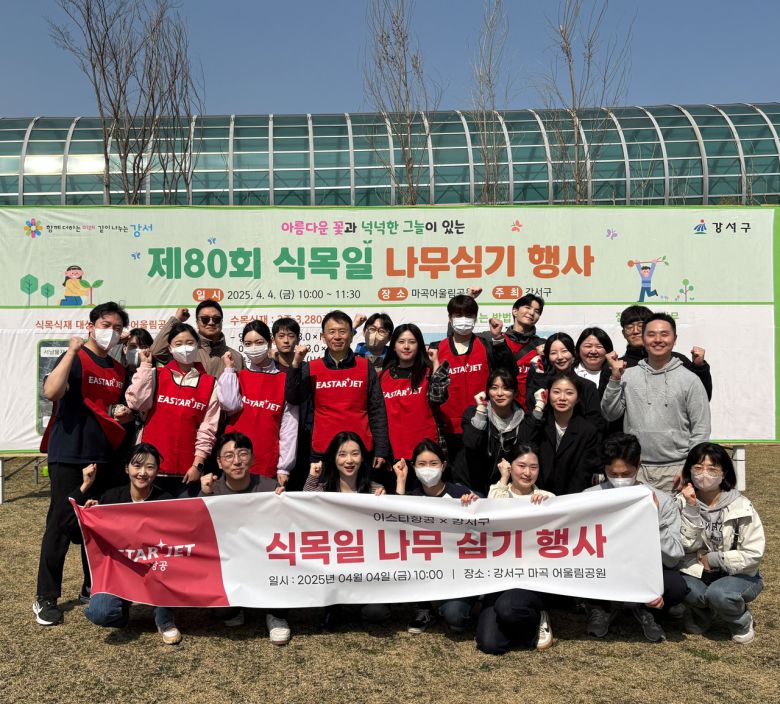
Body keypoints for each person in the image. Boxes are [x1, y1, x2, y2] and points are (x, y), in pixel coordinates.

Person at [34, 301, 132, 627]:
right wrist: (72, 352)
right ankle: (46, 598)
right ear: (91, 326)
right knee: (60, 526)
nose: (111, 332)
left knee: (96, 526)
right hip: (68, 455)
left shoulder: (118, 370)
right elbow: (50, 391)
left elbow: (110, 408)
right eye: (106, 325)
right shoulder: (76, 358)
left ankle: (93, 587)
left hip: (102, 457)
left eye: (117, 328)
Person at [72, 443, 182, 645]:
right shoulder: (110, 498)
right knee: (99, 613)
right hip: (119, 572)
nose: (142, 472)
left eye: (149, 467)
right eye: (137, 466)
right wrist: (89, 514)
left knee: (167, 565)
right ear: (126, 469)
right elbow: (71, 532)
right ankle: (122, 613)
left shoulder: (166, 501)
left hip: (154, 569)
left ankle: (164, 620)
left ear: (157, 471)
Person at [583, 433, 686, 642]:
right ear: (604, 468)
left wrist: (653, 518)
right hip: (607, 568)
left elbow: (674, 557)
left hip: (644, 570)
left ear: (638, 466)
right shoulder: (589, 497)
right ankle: (601, 607)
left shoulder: (662, 501)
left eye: (626, 473)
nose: (620, 480)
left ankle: (646, 609)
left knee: (676, 585)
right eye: (613, 473)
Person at [199, 432, 292, 644]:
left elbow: (290, 529)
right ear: (219, 463)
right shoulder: (213, 489)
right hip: (229, 562)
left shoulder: (270, 488)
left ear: (251, 457)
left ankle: (276, 614)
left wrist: (284, 504)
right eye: (229, 456)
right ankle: (236, 608)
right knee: (223, 613)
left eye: (243, 454)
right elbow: (197, 530)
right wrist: (204, 495)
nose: (237, 461)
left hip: (265, 557)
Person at [602, 313, 711, 492]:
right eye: (651, 334)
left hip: (677, 470)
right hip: (636, 469)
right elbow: (609, 413)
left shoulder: (690, 380)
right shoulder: (627, 375)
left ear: (674, 339)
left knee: (673, 519)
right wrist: (614, 378)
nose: (658, 340)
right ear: (643, 339)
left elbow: (701, 429)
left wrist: (689, 467)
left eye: (664, 334)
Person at [678, 443, 764, 644]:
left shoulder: (741, 505)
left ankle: (741, 620)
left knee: (720, 593)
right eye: (698, 468)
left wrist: (715, 558)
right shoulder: (681, 502)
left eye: (712, 469)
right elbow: (684, 545)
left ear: (724, 473)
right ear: (689, 470)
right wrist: (691, 509)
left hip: (738, 574)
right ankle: (702, 614)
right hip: (697, 571)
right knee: (676, 585)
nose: (704, 474)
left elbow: (753, 553)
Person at [284, 310, 389, 476]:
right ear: (323, 337)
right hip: (322, 451)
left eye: (342, 331)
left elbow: (377, 409)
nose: (337, 337)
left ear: (351, 335)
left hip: (360, 452)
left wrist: (381, 448)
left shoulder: (365, 366)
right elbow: (293, 397)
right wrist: (296, 363)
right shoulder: (311, 367)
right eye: (331, 332)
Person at [303, 432, 390, 629]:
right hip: (334, 564)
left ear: (362, 457)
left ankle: (357, 603)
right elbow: (303, 509)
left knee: (375, 613)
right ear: (333, 459)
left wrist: (387, 500)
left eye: (355, 454)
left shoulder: (376, 490)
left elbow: (392, 527)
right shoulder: (324, 490)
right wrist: (312, 477)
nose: (349, 460)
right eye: (342, 455)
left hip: (368, 566)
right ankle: (334, 607)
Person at [394, 439, 480, 635]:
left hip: (457, 571)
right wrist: (400, 480)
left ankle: (456, 603)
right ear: (413, 467)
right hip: (425, 565)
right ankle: (423, 608)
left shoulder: (459, 493)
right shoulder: (411, 497)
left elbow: (480, 529)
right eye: (421, 464)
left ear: (443, 465)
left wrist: (473, 505)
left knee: (456, 619)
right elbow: (395, 527)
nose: (428, 469)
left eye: (433, 464)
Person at [475, 443, 554, 654]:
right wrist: (503, 479)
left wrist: (546, 508)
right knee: (490, 644)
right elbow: (492, 509)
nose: (527, 473)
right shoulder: (497, 492)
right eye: (521, 466)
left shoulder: (548, 497)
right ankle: (521, 628)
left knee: (508, 608)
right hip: (499, 577)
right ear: (510, 467)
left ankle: (538, 616)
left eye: (534, 467)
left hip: (532, 578)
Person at [125, 323, 219, 497]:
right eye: (179, 343)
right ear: (170, 348)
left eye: (190, 343)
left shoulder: (210, 383)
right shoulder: (156, 375)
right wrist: (145, 366)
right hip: (149, 472)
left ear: (198, 345)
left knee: (183, 523)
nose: (185, 348)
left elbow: (208, 429)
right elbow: (136, 403)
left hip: (186, 474)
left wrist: (198, 465)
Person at [428, 294, 513, 467]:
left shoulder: (487, 344)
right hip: (447, 430)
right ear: (450, 318)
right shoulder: (436, 349)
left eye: (468, 315)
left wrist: (497, 338)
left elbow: (509, 372)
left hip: (484, 425)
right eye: (458, 316)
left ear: (475, 318)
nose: (463, 320)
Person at [217, 320, 298, 487]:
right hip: (234, 460)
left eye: (259, 342)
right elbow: (229, 405)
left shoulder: (285, 380)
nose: (253, 347)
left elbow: (289, 428)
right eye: (248, 343)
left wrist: (284, 467)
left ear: (270, 342)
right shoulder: (236, 376)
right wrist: (229, 370)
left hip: (267, 459)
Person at [455, 369, 544, 495]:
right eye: (494, 388)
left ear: (514, 393)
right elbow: (471, 443)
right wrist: (481, 412)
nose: (499, 393)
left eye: (506, 388)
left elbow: (528, 443)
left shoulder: (524, 420)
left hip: (501, 487)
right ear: (488, 392)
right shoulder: (473, 413)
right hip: (470, 485)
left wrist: (539, 405)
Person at [380, 323, 449, 466]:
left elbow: (438, 397)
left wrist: (435, 363)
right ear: (393, 346)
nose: (406, 346)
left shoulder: (429, 373)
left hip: (427, 453)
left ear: (419, 346)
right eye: (401, 342)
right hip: (394, 454)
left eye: (412, 342)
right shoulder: (382, 377)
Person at [619, 305, 712, 399]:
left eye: (640, 325)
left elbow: (701, 399)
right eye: (629, 327)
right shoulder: (617, 366)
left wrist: (699, 368)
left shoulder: (679, 361)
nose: (635, 331)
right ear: (623, 333)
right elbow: (609, 409)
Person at [525, 332, 606, 436]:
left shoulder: (588, 386)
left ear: (573, 353)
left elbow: (596, 423)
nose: (559, 357)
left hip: (580, 445)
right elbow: (532, 417)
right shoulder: (539, 382)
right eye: (553, 353)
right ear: (547, 356)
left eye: (564, 351)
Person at [536, 374, 601, 495]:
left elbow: (583, 473)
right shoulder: (539, 423)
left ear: (577, 398)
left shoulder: (588, 431)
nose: (562, 398)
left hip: (570, 498)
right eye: (556, 392)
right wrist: (538, 406)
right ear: (547, 394)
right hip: (536, 495)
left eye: (569, 393)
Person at [149, 299, 244, 377]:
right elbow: (157, 351)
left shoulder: (237, 357)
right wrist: (176, 320)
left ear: (222, 321)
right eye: (205, 319)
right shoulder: (185, 351)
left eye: (216, 319)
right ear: (197, 322)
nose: (211, 323)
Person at [500, 293, 546, 408]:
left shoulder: (543, 345)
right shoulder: (498, 341)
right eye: (528, 307)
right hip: (504, 409)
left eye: (537, 311)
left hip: (533, 409)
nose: (531, 313)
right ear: (515, 311)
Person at [574, 327, 613, 396]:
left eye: (599, 347)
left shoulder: (615, 373)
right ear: (578, 349)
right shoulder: (570, 372)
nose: (593, 351)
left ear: (608, 350)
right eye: (588, 346)